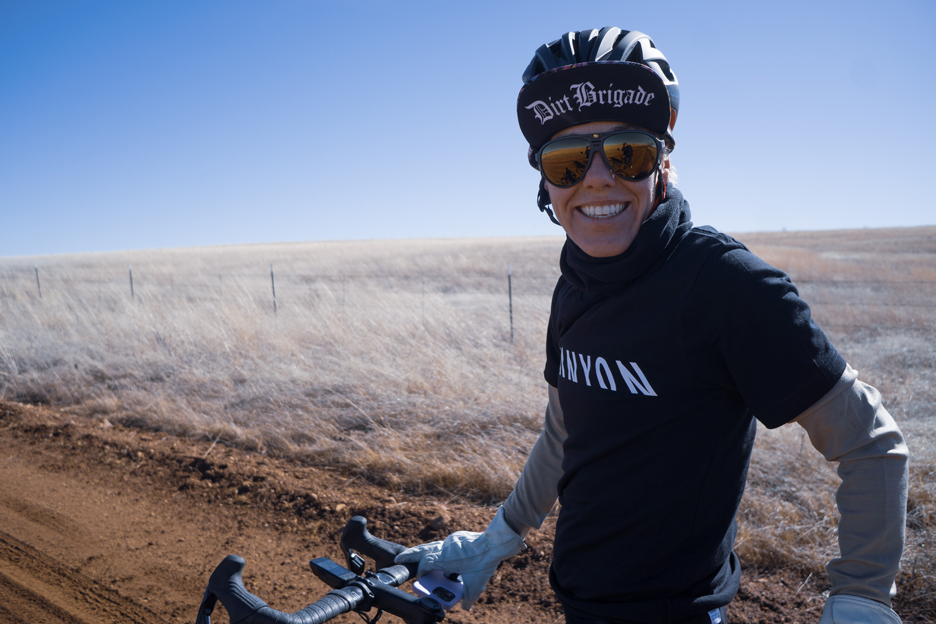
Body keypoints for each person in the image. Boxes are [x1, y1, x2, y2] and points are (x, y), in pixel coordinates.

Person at [396, 28, 908, 624]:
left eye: (626, 153)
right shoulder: (575, 284)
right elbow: (567, 428)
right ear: (544, 183)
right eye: (566, 161)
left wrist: (861, 597)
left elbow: (869, 442)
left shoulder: (725, 285)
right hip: (581, 604)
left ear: (663, 161)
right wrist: (498, 537)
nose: (596, 179)